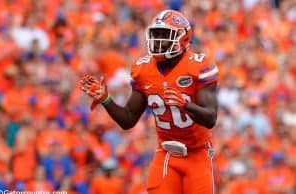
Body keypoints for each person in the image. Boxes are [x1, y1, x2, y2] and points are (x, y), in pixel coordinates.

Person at [80, 10, 218, 194]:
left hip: (197, 153)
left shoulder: (199, 65)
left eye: (165, 35)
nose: (159, 40)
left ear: (183, 38)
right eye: (156, 34)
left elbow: (210, 118)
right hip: (166, 151)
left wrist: (186, 105)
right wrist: (106, 99)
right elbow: (128, 120)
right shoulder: (143, 69)